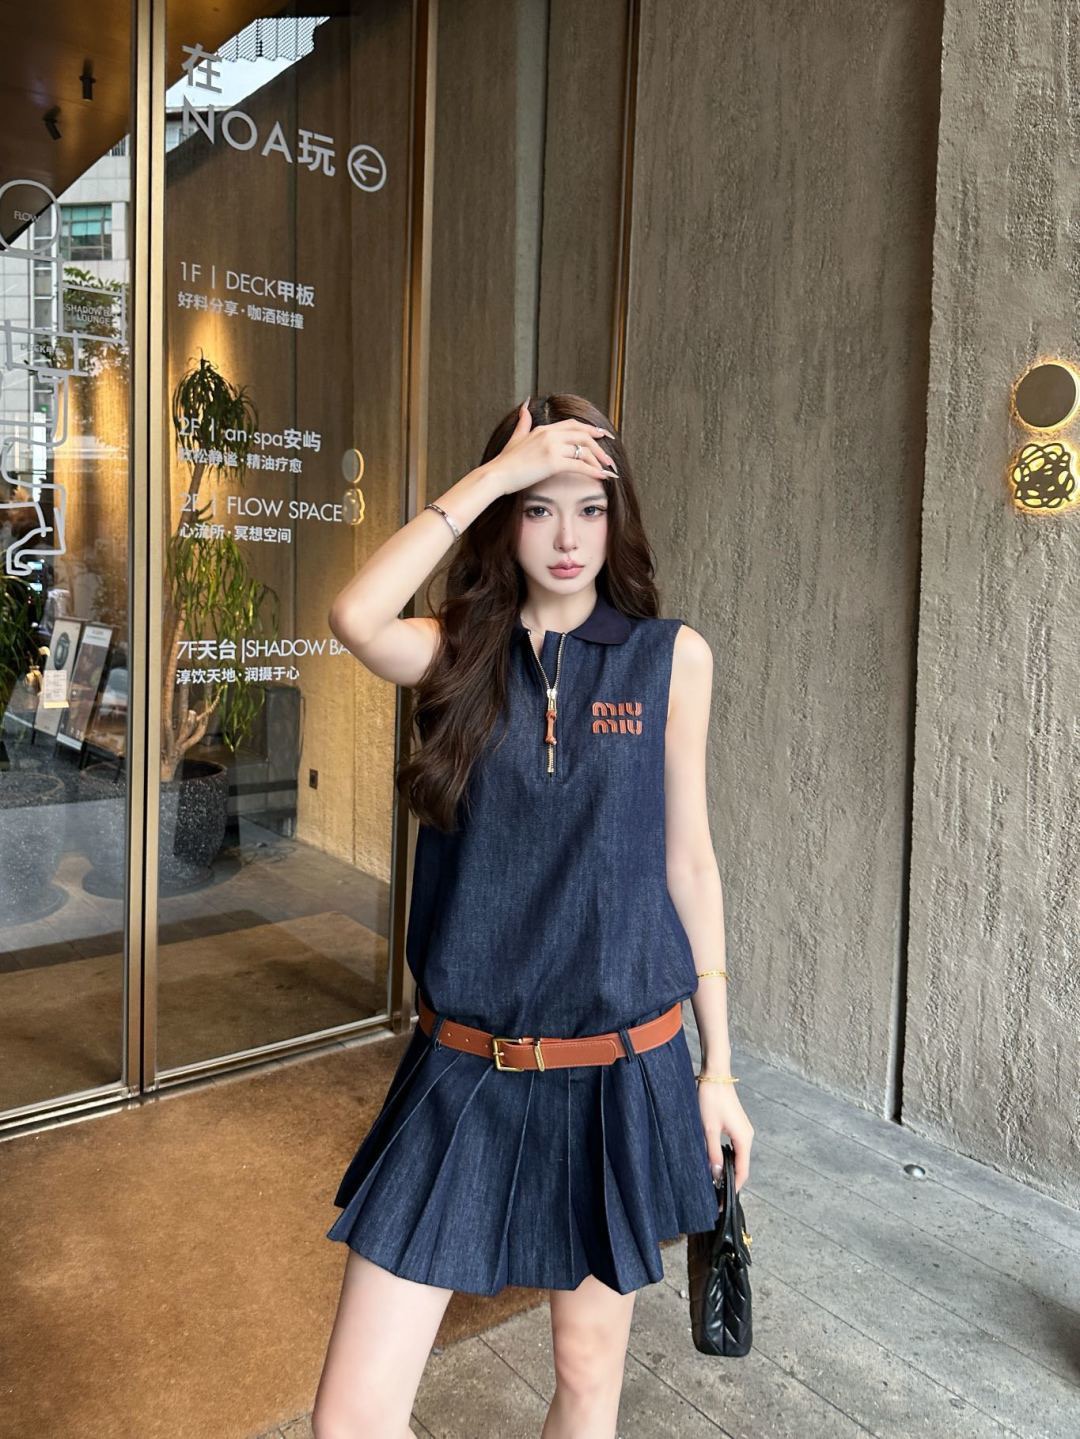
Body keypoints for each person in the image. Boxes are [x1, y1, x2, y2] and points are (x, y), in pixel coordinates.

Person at [312, 393, 753, 1439]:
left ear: (617, 516)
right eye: (539, 507)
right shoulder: (455, 651)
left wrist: (719, 1070)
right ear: (506, 517)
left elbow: (689, 861)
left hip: (617, 1071)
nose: (567, 537)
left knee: (587, 1382)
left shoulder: (669, 658)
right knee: (353, 1416)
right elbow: (354, 616)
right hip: (464, 1068)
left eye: (589, 508)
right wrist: (494, 475)